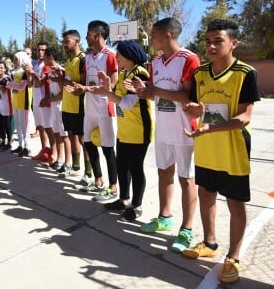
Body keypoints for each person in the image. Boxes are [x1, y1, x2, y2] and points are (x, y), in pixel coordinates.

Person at [180, 19, 259, 284]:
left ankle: (233, 256)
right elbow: (203, 106)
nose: (211, 46)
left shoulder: (245, 73)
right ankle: (210, 243)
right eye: (208, 41)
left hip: (232, 148)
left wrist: (210, 127)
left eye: (218, 41)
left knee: (235, 202)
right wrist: (196, 111)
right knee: (206, 194)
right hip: (206, 146)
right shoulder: (200, 73)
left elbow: (245, 116)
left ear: (233, 43)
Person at [134, 17, 200, 253]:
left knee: (187, 178)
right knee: (164, 173)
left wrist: (156, 90)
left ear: (168, 36)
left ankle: (187, 228)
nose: (151, 39)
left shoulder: (189, 59)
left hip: (184, 129)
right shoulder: (155, 62)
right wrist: (144, 93)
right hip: (162, 128)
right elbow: (155, 95)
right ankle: (165, 217)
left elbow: (188, 97)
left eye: (154, 35)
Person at [88, 40, 153, 221]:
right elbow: (117, 97)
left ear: (130, 56)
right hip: (125, 128)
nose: (117, 57)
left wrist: (105, 93)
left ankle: (137, 205)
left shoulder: (140, 72)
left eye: (120, 55)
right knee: (123, 167)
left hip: (139, 130)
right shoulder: (124, 72)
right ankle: (123, 199)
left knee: (136, 168)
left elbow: (128, 103)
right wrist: (107, 85)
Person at [76, 21, 119, 203]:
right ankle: (99, 180)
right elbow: (86, 81)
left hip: (105, 106)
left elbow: (114, 82)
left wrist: (102, 86)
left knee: (108, 148)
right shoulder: (88, 57)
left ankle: (113, 187)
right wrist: (81, 88)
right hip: (90, 106)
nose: (86, 37)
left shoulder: (110, 55)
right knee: (88, 142)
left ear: (97, 34)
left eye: (88, 34)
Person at [55, 30, 92, 182]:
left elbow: (84, 84)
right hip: (67, 105)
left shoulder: (83, 59)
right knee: (71, 136)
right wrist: (60, 78)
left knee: (84, 139)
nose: (64, 44)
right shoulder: (68, 61)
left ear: (77, 41)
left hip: (80, 106)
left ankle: (89, 172)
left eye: (67, 41)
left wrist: (64, 81)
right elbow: (67, 82)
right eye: (63, 41)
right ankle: (76, 167)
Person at [27, 42, 52, 158]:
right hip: (36, 100)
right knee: (40, 127)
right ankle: (44, 151)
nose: (40, 52)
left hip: (45, 101)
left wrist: (31, 72)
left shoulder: (47, 65)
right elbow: (30, 84)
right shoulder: (36, 65)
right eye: (38, 50)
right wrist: (28, 74)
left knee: (49, 128)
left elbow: (41, 82)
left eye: (43, 50)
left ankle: (53, 153)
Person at [5, 51, 32, 157]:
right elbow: (13, 85)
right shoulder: (15, 71)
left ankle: (27, 147)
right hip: (15, 101)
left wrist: (7, 84)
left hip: (24, 101)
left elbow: (21, 86)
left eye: (16, 59)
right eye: (14, 59)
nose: (14, 61)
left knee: (25, 126)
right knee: (18, 125)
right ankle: (20, 145)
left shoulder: (26, 71)